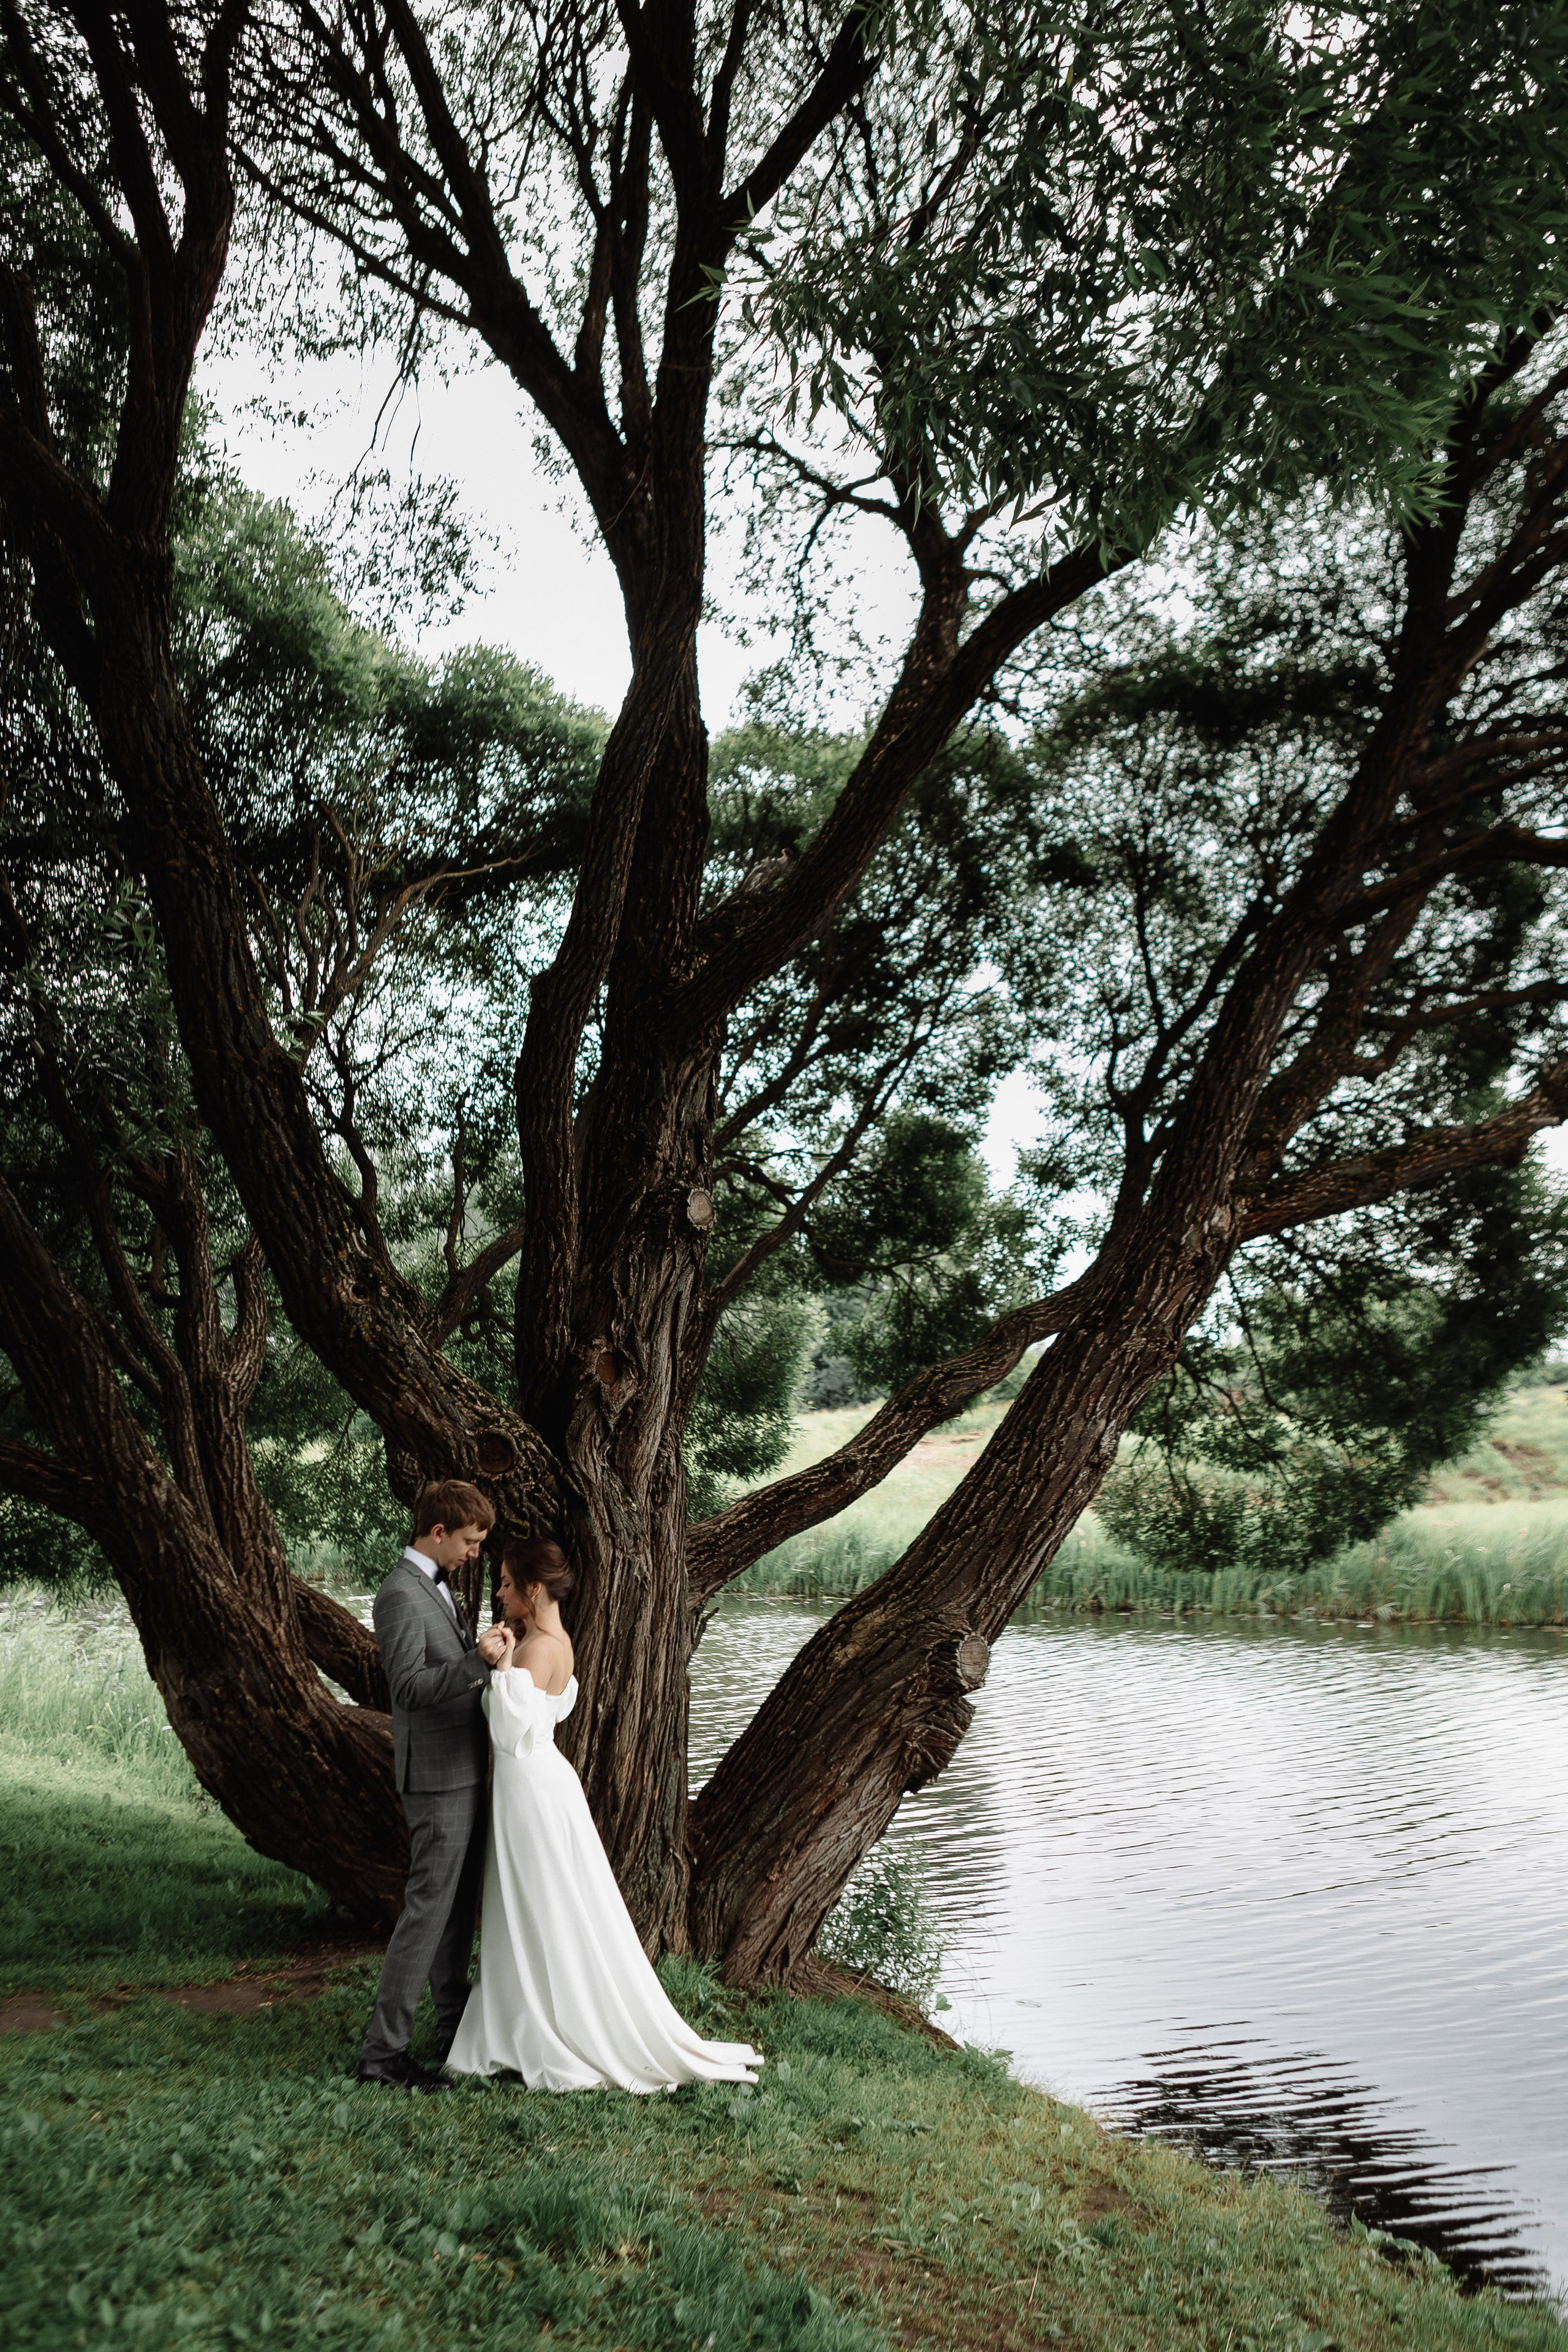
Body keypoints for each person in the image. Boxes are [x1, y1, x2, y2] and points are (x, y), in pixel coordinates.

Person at [445, 1536, 763, 2091]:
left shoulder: (537, 1650)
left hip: (529, 1787)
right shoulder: (552, 1640)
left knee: (538, 1906)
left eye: (506, 1583)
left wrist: (501, 1665)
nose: (499, 1593)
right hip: (536, 1783)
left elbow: (509, 1731)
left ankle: (541, 2025)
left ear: (534, 1589)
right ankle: (523, 2015)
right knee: (535, 1904)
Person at [358, 1479, 510, 2092]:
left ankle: (453, 2032)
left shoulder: (439, 1585)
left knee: (456, 1914)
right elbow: (409, 1690)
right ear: (438, 1532)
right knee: (427, 1913)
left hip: (465, 1770)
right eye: (470, 1542)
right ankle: (382, 2055)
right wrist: (477, 1663)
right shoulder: (400, 1593)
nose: (476, 1553)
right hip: (435, 1780)